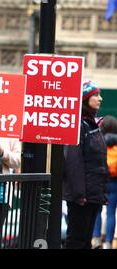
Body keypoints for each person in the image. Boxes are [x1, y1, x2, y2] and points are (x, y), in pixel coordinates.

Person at [63, 80, 107, 249]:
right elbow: (73, 161)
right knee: (76, 240)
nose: (100, 99)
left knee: (85, 241)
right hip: (82, 196)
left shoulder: (91, 124)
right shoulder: (78, 125)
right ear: (84, 98)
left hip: (92, 194)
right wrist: (80, 195)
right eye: (95, 95)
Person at [92, 115, 117, 249]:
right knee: (111, 212)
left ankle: (96, 239)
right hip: (114, 181)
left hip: (100, 179)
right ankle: (108, 242)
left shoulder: (98, 140)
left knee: (97, 209)